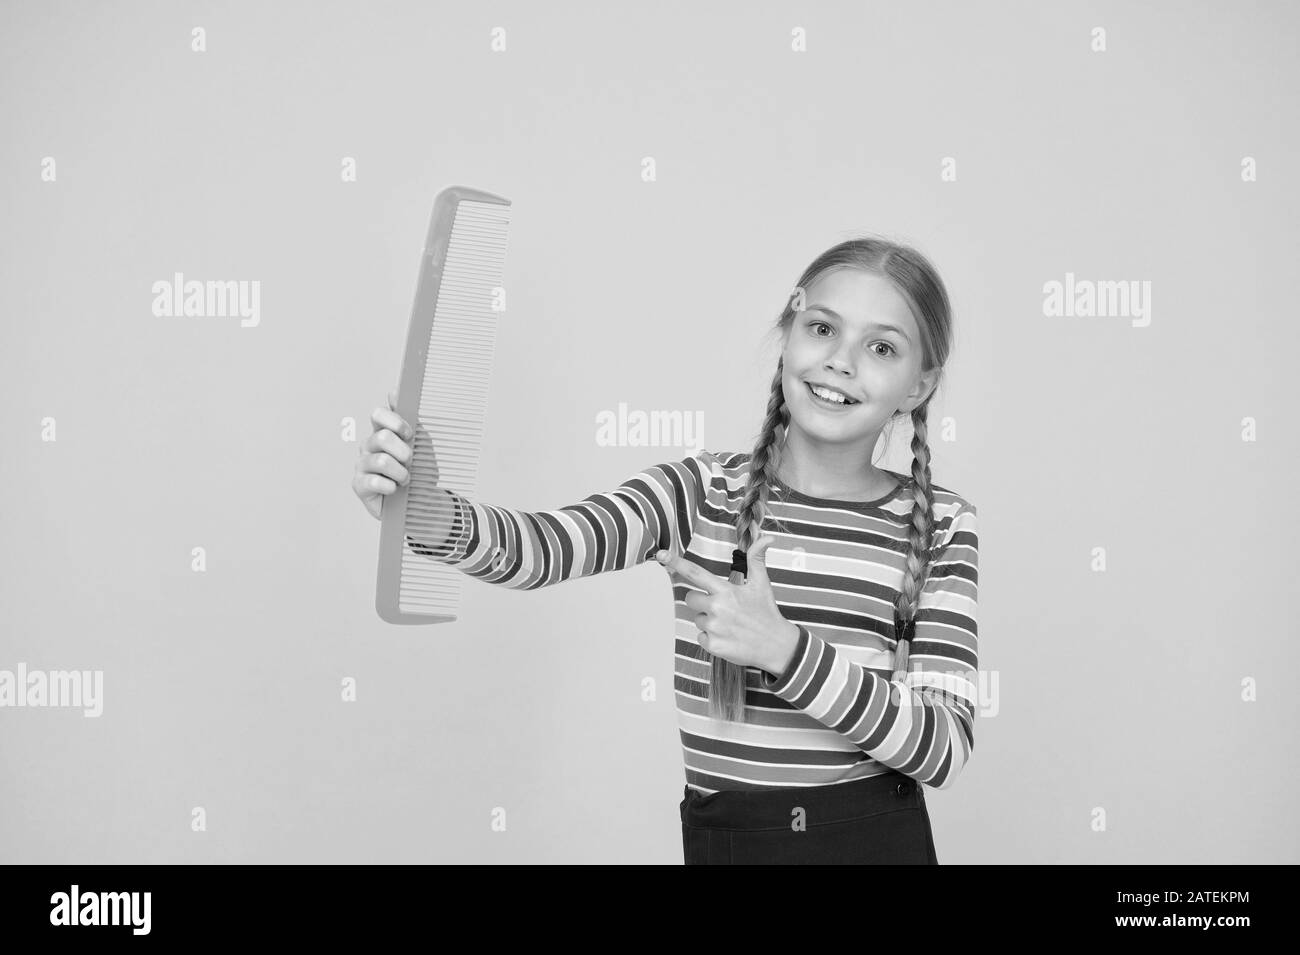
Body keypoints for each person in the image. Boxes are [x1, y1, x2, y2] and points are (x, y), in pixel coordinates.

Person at [352, 237, 979, 864]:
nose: (841, 362)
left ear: (918, 386)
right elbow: (544, 548)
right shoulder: (699, 492)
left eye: (881, 347)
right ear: (787, 337)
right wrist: (429, 509)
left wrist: (784, 651)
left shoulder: (943, 524)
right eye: (821, 327)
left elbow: (943, 747)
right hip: (732, 843)